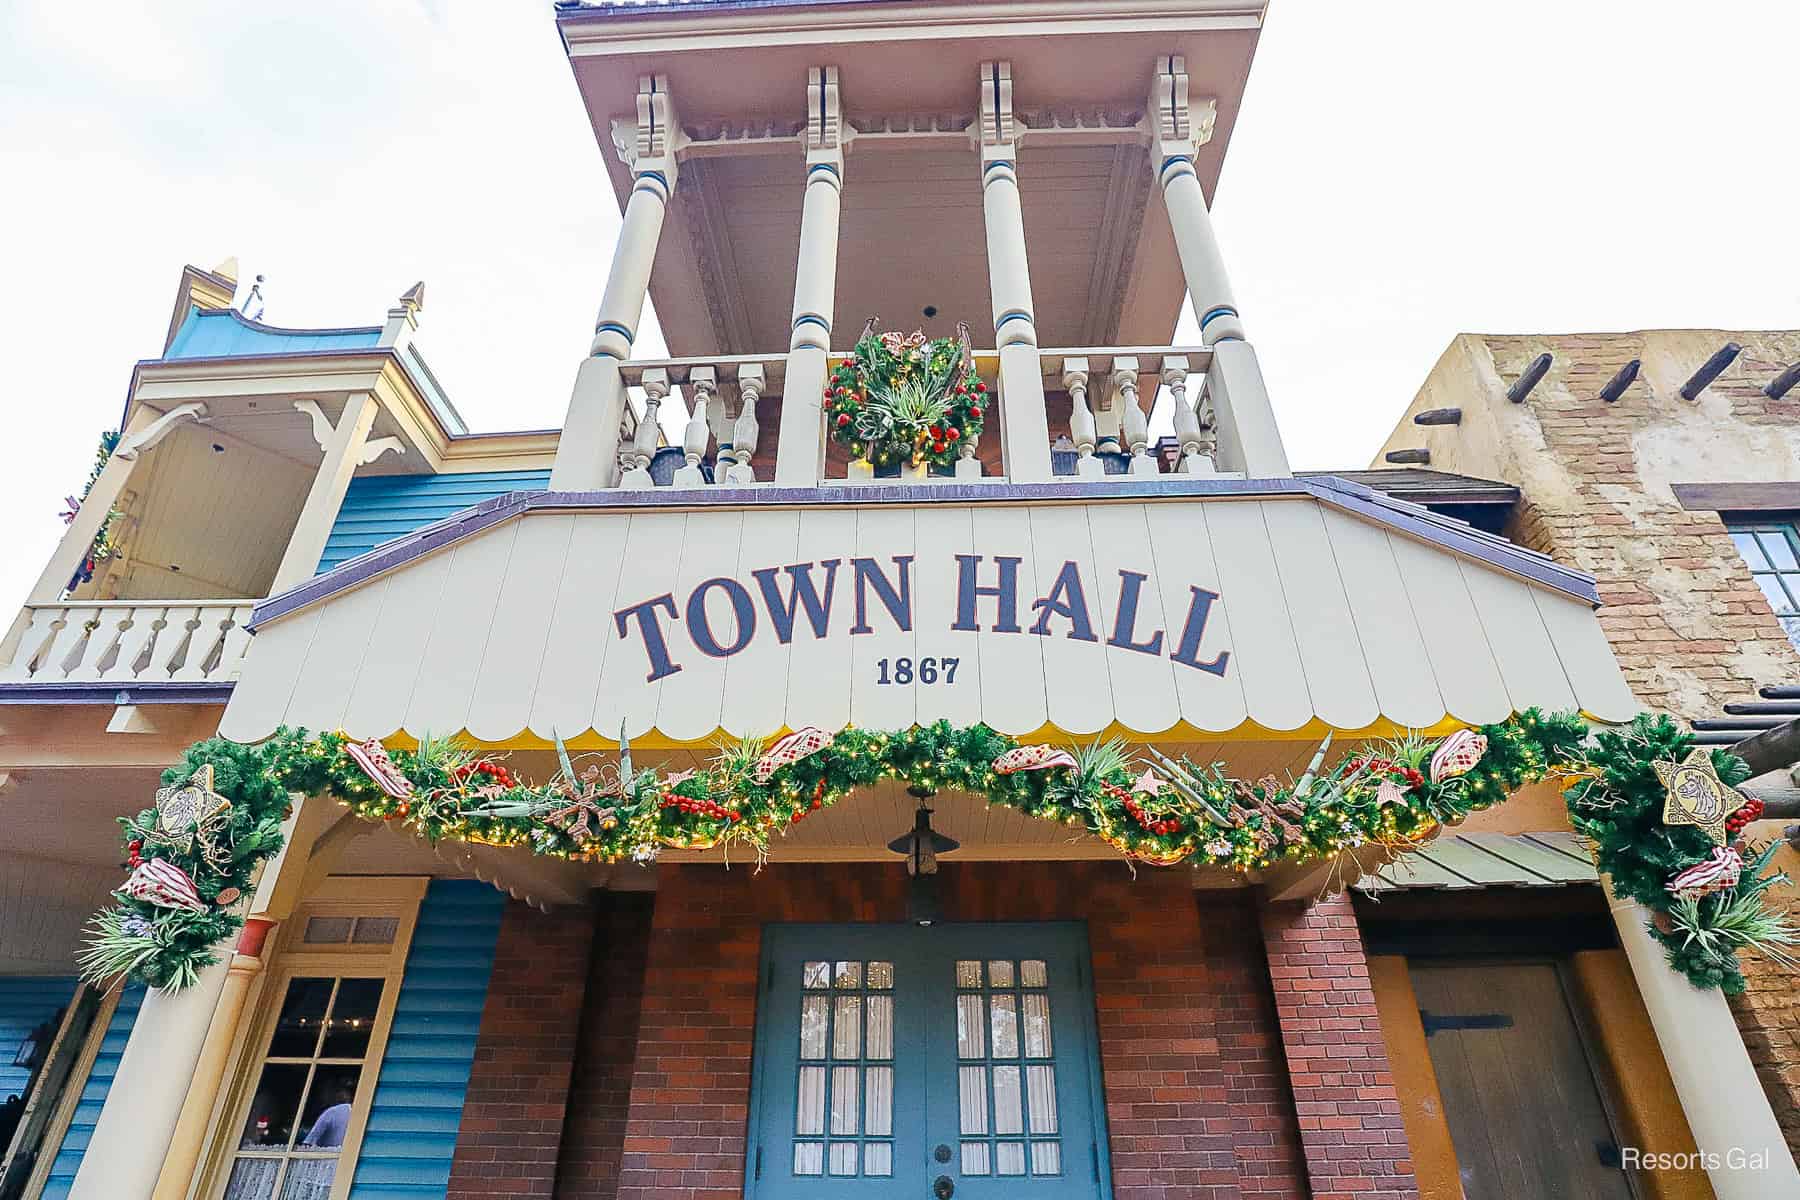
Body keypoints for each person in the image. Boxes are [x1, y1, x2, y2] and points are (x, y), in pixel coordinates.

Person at [299, 1080, 355, 1150]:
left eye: (343, 1092)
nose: (341, 1096)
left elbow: (307, 1144)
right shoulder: (332, 1112)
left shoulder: (333, 1112)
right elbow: (307, 1145)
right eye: (338, 1091)